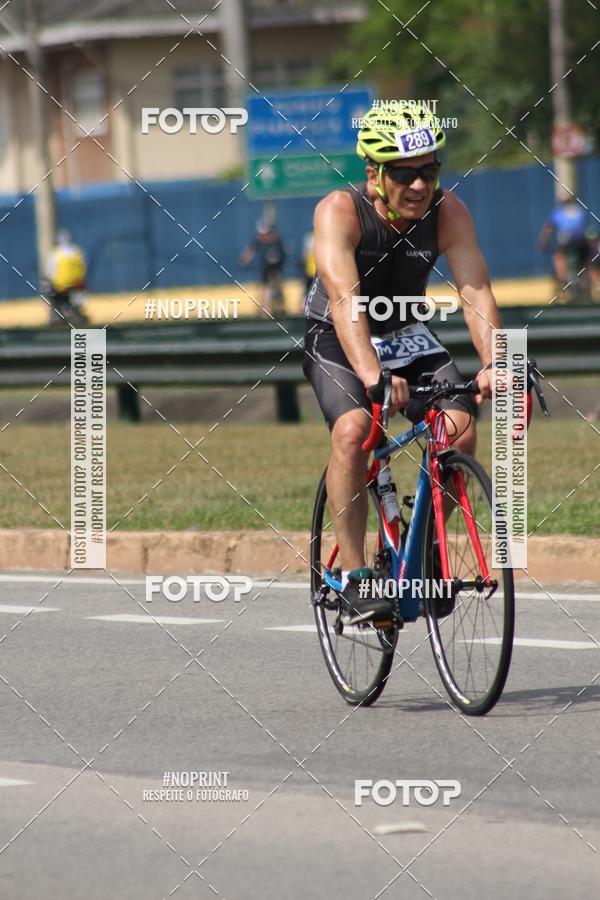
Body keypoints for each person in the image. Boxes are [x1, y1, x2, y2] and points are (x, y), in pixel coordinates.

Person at [303, 103, 504, 624]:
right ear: (373, 173)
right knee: (353, 430)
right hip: (338, 335)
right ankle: (354, 578)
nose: (419, 186)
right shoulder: (338, 212)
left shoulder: (448, 212)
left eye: (429, 172)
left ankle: (430, 550)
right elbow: (345, 301)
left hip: (407, 334)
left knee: (458, 428)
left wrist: (495, 362)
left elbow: (474, 289)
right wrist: (372, 377)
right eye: (403, 173)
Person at [539, 191, 590, 286]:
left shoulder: (558, 213)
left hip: (570, 243)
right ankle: (584, 283)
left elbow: (548, 229)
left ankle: (562, 280)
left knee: (558, 256)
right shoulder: (580, 211)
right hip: (582, 243)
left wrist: (543, 242)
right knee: (583, 263)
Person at [240, 220, 286, 314]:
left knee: (277, 288)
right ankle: (265, 310)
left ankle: (279, 308)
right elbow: (249, 252)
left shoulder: (276, 240)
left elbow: (283, 254)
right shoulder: (259, 241)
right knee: (264, 289)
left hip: (276, 269)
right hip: (266, 269)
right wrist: (244, 261)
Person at [46, 229, 88, 325]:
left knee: (52, 295)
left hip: (61, 286)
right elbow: (84, 267)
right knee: (78, 301)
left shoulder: (56, 253)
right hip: (77, 284)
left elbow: (50, 271)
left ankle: (57, 316)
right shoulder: (78, 252)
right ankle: (76, 314)